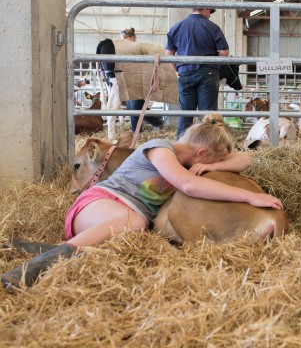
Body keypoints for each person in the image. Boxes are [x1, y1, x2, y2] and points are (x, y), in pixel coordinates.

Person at [1, 114, 283, 290]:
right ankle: (31, 269)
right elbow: (188, 185)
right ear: (200, 152)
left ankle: (50, 250)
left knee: (133, 228)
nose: (218, 166)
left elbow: (245, 159)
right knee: (135, 223)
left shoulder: (188, 162)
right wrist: (250, 195)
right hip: (98, 203)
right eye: (215, 161)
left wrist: (211, 167)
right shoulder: (159, 147)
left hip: (119, 220)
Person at [165, 0, 229, 139]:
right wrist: (215, 67)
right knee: (208, 114)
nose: (210, 15)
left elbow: (169, 54)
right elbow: (224, 53)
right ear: (205, 9)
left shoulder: (177, 26)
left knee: (185, 113)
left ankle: (181, 145)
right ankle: (208, 145)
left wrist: (177, 71)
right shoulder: (213, 27)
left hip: (184, 73)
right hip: (208, 73)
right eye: (210, 11)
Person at [120, 27, 165, 131]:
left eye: (125, 39)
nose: (123, 42)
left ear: (132, 38)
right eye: (122, 39)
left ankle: (138, 132)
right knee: (133, 107)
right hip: (129, 82)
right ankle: (157, 123)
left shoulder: (140, 49)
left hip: (139, 82)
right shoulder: (125, 51)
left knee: (136, 107)